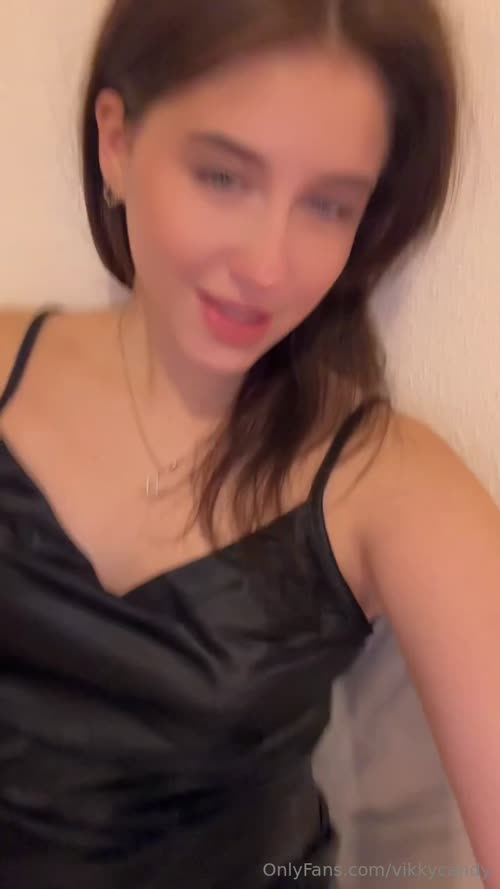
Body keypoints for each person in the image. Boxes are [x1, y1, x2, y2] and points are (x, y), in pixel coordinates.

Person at [0, 1, 499, 887]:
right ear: (116, 142)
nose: (269, 265)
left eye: (328, 205)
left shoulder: (395, 488)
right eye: (224, 177)